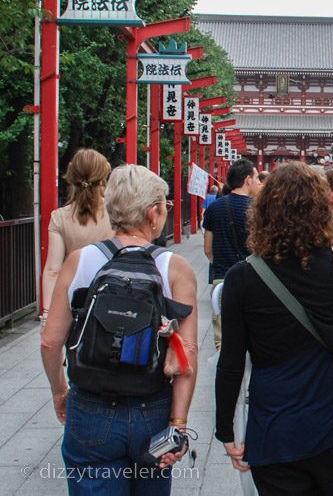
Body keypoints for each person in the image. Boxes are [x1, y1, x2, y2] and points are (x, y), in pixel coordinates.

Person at [40, 164, 198, 495]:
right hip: (151, 407)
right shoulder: (174, 268)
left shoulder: (81, 261)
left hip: (91, 406)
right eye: (165, 206)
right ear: (153, 213)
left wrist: (59, 392)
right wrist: (178, 424)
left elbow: (51, 341)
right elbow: (187, 355)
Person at [215, 162, 333, 495]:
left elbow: (231, 362)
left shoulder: (242, 278)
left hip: (274, 424)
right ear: (321, 209)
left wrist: (225, 429)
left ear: (264, 211)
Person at [42, 148, 113, 319]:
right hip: (112, 298)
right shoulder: (117, 212)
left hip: (73, 301)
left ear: (71, 176)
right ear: (104, 176)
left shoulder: (59, 217)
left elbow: (52, 270)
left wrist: (47, 314)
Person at [203, 158, 262, 350]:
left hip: (222, 280)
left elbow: (208, 249)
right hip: (253, 279)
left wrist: (220, 262)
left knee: (224, 340)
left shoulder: (214, 207)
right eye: (255, 177)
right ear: (247, 180)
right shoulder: (257, 210)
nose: (256, 182)